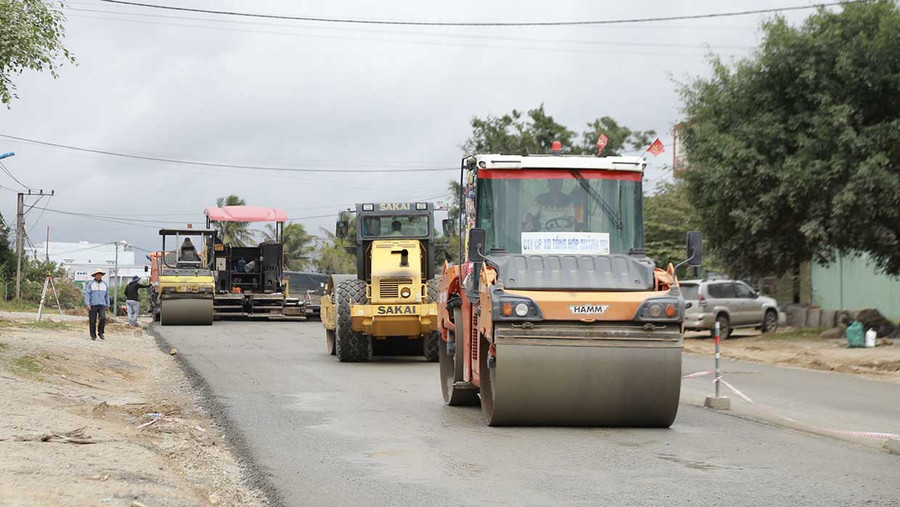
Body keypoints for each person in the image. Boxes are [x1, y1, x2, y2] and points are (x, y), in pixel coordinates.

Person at [84, 269, 110, 340]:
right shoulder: (90, 284)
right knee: (92, 320)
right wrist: (88, 304)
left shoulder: (104, 284)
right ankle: (93, 335)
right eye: (97, 274)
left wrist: (108, 304)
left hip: (102, 304)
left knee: (103, 318)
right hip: (93, 304)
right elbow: (87, 294)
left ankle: (101, 332)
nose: (99, 276)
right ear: (95, 275)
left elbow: (107, 295)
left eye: (100, 274)